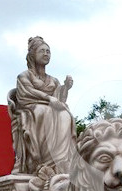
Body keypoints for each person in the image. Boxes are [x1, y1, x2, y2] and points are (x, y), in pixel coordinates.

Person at [9, 36, 76, 177]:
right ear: (33, 55)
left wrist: (65, 88)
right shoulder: (24, 76)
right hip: (30, 108)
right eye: (42, 51)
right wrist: (48, 98)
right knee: (42, 110)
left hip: (51, 108)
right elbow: (26, 93)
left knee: (65, 115)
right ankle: (38, 160)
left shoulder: (54, 80)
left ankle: (61, 161)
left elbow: (60, 100)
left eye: (48, 51)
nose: (46, 54)